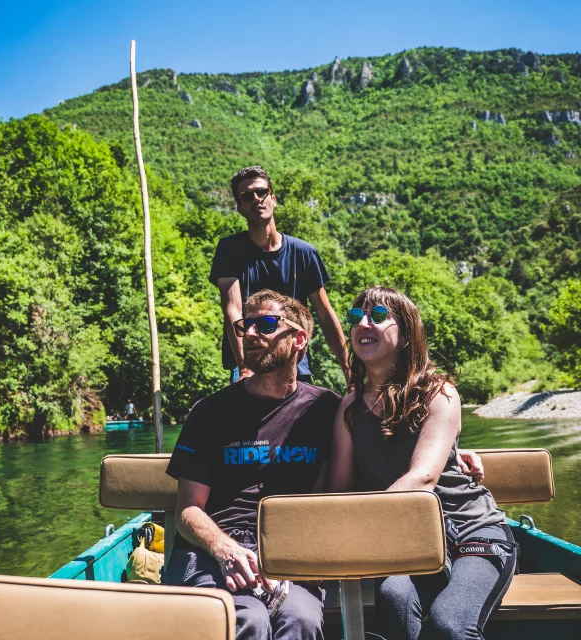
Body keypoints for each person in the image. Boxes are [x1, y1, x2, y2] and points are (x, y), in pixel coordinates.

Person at [328, 287, 517, 640]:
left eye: (379, 316)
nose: (363, 324)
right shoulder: (349, 408)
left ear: (405, 334)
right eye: (355, 318)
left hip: (471, 534)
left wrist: (362, 514)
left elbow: (423, 478)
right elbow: (339, 490)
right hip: (405, 538)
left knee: (449, 622)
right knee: (393, 596)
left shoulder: (438, 393)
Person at [164, 289, 340, 640]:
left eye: (267, 324)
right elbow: (188, 510)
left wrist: (456, 455)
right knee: (249, 619)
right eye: (247, 325)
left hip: (291, 552)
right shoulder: (210, 412)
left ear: (299, 339)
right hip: (214, 550)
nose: (251, 334)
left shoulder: (327, 410)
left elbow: (379, 449)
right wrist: (225, 549)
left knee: (301, 621)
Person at [209, 166, 349, 385]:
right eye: (247, 196)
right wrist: (245, 367)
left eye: (261, 192)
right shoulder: (229, 250)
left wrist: (348, 369)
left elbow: (324, 314)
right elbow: (232, 309)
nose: (256, 199)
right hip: (250, 359)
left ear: (273, 199)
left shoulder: (304, 253)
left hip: (293, 360)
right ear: (240, 208)